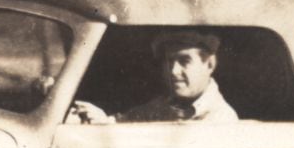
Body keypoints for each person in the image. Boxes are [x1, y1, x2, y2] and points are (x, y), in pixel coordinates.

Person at [70, 30, 238, 124]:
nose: (173, 71)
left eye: (184, 61)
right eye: (169, 61)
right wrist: (103, 121)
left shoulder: (221, 120)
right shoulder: (162, 106)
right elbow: (124, 123)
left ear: (209, 64)